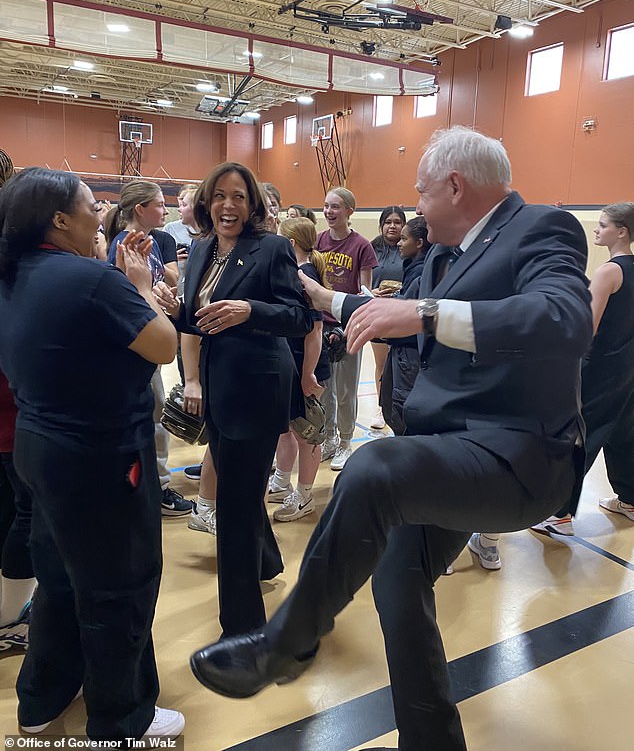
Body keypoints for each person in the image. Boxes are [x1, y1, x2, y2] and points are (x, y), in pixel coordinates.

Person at [188, 126, 593, 751]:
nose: (416, 202)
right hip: (452, 452)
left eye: (422, 189)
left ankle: (285, 643)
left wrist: (424, 312)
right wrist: (330, 299)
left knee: (372, 469)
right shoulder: (442, 254)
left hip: (520, 457)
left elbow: (564, 318)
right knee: (397, 578)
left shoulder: (544, 228)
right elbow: (406, 321)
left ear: (456, 186)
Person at [0, 168, 183, 739]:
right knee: (119, 586)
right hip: (98, 456)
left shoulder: (13, 273)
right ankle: (122, 718)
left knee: (57, 578)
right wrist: (135, 285)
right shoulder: (87, 279)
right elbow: (163, 343)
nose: (101, 214)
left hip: (37, 446)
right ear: (60, 220)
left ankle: (41, 700)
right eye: (91, 206)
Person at [154, 162, 312, 636]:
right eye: (220, 195)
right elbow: (199, 321)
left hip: (258, 391)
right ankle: (265, 561)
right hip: (219, 390)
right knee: (239, 491)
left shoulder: (273, 249)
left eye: (239, 197)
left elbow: (299, 317)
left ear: (252, 205)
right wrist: (170, 306)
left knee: (236, 506)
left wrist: (251, 310)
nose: (229, 205)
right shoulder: (200, 250)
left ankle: (241, 627)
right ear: (206, 202)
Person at [532, 201, 634, 535]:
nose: (596, 229)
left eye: (602, 225)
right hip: (629, 368)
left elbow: (584, 325)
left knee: (581, 436)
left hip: (600, 368)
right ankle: (630, 499)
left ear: (621, 231)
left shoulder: (609, 271)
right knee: (624, 432)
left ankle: (560, 514)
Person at [104, 181, 193, 518]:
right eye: (158, 203)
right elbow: (126, 301)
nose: (164, 209)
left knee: (153, 415)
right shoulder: (125, 246)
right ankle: (158, 489)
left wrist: (163, 300)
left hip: (148, 339)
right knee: (152, 416)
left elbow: (154, 288)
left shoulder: (149, 243)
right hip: (138, 347)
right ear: (139, 209)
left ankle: (151, 484)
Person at [269, 216, 331, 521]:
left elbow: (315, 331)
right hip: (291, 364)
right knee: (287, 430)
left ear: (290, 244)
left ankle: (305, 495)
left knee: (308, 434)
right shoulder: (295, 271)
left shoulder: (305, 276)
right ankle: (281, 481)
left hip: (307, 367)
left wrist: (308, 374)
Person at [0, 148, 36, 652]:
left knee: (11, 506)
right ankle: (9, 616)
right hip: (16, 407)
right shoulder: (15, 255)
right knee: (29, 512)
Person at [317, 187, 377, 469]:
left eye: (336, 207)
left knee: (345, 390)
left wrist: (348, 325)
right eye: (326, 206)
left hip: (348, 326)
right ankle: (328, 438)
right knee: (325, 388)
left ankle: (345, 442)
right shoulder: (318, 241)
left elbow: (364, 292)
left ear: (349, 211)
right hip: (321, 326)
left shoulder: (362, 245)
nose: (329, 212)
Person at [378, 216, 430, 435]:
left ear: (419, 243)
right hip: (400, 351)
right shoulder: (412, 268)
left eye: (404, 238)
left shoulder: (422, 272)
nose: (399, 243)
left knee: (402, 410)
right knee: (389, 405)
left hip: (409, 354)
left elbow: (414, 318)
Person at [369, 206, 407, 429]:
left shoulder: (409, 246)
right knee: (381, 364)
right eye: (388, 222)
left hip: (402, 314)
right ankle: (382, 407)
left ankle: (401, 406)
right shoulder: (372, 247)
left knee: (401, 361)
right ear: (382, 225)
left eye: (397, 222)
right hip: (378, 313)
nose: (392, 226)